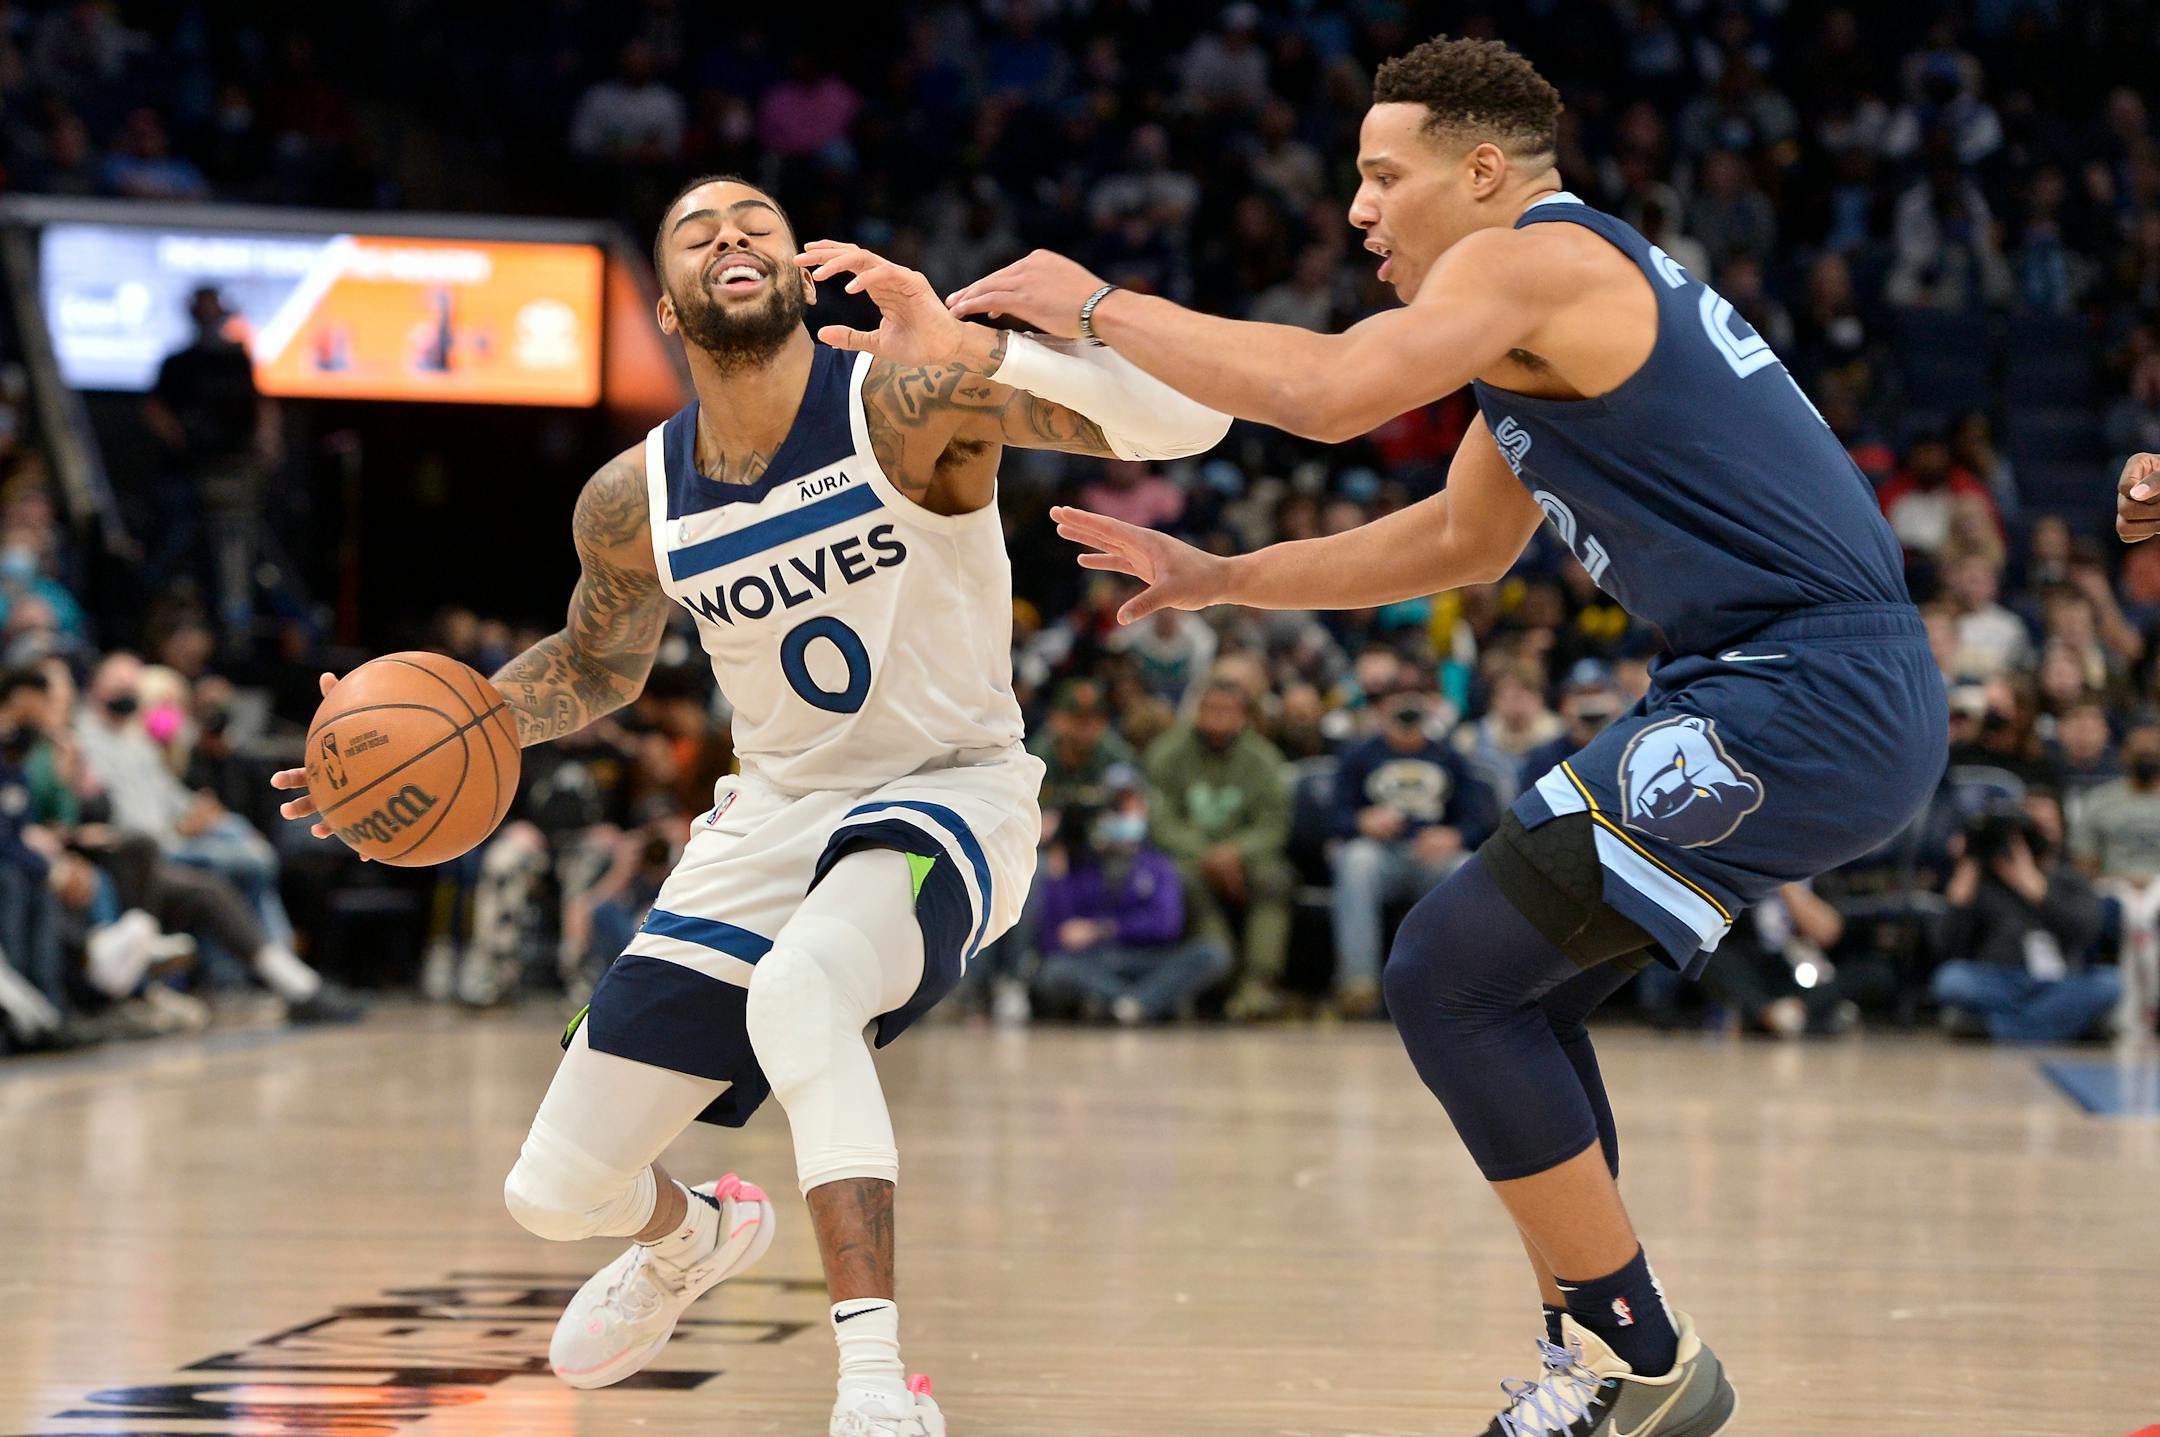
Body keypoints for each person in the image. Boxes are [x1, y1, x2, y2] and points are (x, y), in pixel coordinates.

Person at [936, 35, 1948, 1432]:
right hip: (1793, 693)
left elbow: (1332, 391)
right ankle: (1599, 1359)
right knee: (1509, 990)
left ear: (1481, 172)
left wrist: (1100, 304)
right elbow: (1463, 543)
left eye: (1379, 174)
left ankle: (1647, 1363)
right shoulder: (1537, 328)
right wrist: (1224, 579)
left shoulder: (1535, 259)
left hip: (1800, 688)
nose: (1356, 209)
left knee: (1447, 976)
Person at [276, 174, 1227, 1437]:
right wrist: (404, 752)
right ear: (668, 308)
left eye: (758, 226)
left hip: (950, 792)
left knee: (803, 991)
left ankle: (878, 1385)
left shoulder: (907, 399)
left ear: (797, 271)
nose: (731, 236)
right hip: (772, 816)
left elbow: (1197, 424)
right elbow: (593, 665)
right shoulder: (633, 499)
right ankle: (695, 1238)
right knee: (555, 1193)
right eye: (696, 231)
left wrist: (1013, 336)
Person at [1328, 682, 1496, 1018]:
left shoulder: (1450, 758)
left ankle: (1455, 988)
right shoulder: (1359, 757)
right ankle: (1358, 986)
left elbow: (1479, 821)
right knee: (1356, 861)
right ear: (1380, 711)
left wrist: (1453, 836)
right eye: (1395, 704)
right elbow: (1333, 816)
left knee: (1464, 866)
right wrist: (1362, 821)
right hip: (1380, 855)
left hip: (1432, 857)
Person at [1030, 769, 1230, 1024]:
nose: (1124, 814)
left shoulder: (1159, 865)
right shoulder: (1081, 865)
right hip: (1098, 961)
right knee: (1054, 971)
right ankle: (1139, 1004)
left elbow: (1167, 925)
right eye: (1116, 807)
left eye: (1131, 805)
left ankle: (1126, 1005)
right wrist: (1058, 860)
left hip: (1150, 959)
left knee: (1211, 954)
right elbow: (1053, 939)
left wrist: (1102, 929)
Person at [142, 286, 281, 641]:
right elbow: (154, 409)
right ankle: (155, 620)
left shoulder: (237, 360)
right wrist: (182, 440)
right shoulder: (178, 362)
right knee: (175, 546)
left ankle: (238, 631)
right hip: (187, 475)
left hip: (235, 474)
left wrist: (266, 441)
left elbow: (260, 405)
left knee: (239, 553)